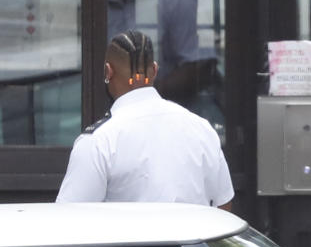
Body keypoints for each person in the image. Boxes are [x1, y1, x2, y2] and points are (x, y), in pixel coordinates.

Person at [57, 30, 233, 210]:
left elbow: (68, 219)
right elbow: (225, 207)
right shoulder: (201, 129)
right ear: (155, 70)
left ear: (108, 72)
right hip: (196, 238)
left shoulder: (99, 141)